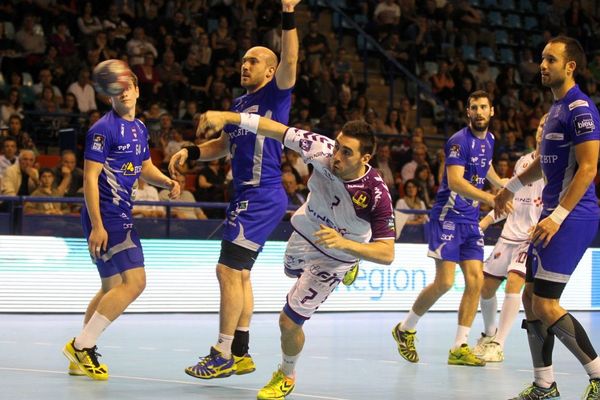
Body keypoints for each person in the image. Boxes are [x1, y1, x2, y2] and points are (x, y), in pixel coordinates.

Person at [198, 111, 395, 399]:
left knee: (289, 320)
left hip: (339, 252)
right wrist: (229, 117)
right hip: (306, 231)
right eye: (338, 145)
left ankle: (287, 374)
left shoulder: (376, 194)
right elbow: (273, 128)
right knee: (289, 270)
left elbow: (387, 253)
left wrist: (345, 246)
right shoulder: (320, 149)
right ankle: (341, 266)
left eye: (347, 152)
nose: (337, 155)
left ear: (365, 159)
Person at [168, 0, 300, 379]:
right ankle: (240, 351)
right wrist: (191, 152)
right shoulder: (240, 103)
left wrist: (288, 13)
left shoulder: (276, 94)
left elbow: (291, 60)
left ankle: (222, 352)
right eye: (243, 60)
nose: (245, 64)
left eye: (253, 61)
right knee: (239, 274)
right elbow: (224, 145)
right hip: (246, 196)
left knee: (227, 270)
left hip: (261, 193)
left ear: (270, 70)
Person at [496, 36, 600, 400]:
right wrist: (508, 187)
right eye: (542, 58)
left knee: (545, 303)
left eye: (551, 59)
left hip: (573, 217)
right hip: (553, 215)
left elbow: (587, 169)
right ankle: (544, 385)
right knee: (529, 297)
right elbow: (542, 162)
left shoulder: (580, 109)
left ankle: (598, 376)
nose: (543, 65)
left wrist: (557, 216)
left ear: (570, 66)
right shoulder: (554, 110)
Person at [62, 69, 180, 380]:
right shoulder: (102, 129)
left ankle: (79, 357)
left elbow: (144, 167)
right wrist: (98, 225)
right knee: (136, 283)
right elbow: (89, 177)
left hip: (116, 213)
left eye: (128, 88)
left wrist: (166, 181)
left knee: (111, 286)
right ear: (110, 95)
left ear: (138, 91)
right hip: (108, 214)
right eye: (117, 90)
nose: (124, 93)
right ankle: (81, 346)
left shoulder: (140, 128)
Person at [392, 90, 507, 366]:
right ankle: (405, 328)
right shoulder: (458, 141)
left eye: (483, 107)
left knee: (476, 281)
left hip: (470, 220)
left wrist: (502, 184)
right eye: (474, 108)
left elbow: (486, 166)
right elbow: (455, 181)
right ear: (468, 112)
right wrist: (491, 199)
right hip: (448, 217)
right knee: (445, 282)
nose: (479, 112)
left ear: (492, 111)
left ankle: (459, 346)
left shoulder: (490, 140)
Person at [473, 114, 546, 363]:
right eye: (540, 126)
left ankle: (498, 343)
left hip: (530, 238)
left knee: (515, 283)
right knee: (485, 288)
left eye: (547, 127)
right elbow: (508, 199)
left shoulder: (557, 166)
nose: (541, 130)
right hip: (508, 235)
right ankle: (488, 333)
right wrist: (485, 221)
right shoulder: (524, 162)